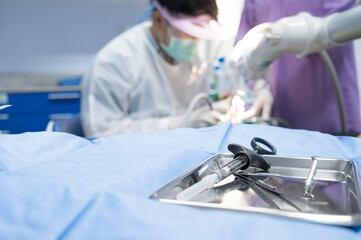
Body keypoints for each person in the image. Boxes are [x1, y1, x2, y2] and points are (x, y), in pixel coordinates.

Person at [81, 0, 226, 138]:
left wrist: (214, 111)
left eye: (199, 35)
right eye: (188, 32)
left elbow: (199, 109)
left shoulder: (192, 61)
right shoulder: (114, 62)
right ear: (158, 19)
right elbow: (101, 133)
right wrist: (173, 125)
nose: (194, 41)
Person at [236, 0, 361, 135]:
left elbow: (341, 32)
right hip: (276, 120)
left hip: (329, 119)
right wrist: (259, 86)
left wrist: (285, 37)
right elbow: (243, 46)